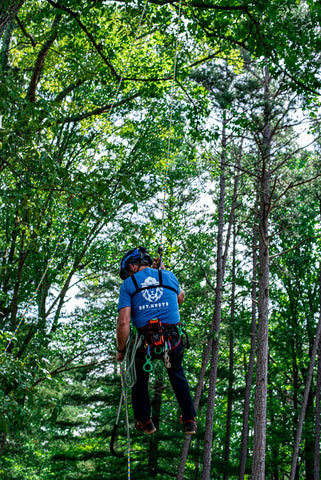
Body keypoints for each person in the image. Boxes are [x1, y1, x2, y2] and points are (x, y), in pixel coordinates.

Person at [116, 246, 196, 435]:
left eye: (128, 271)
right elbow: (180, 298)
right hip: (172, 340)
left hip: (144, 343)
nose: (128, 275)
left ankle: (144, 421)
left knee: (139, 378)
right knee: (177, 374)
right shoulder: (168, 276)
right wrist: (163, 273)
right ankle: (189, 420)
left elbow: (124, 322)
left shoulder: (128, 285)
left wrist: (121, 350)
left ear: (133, 266)